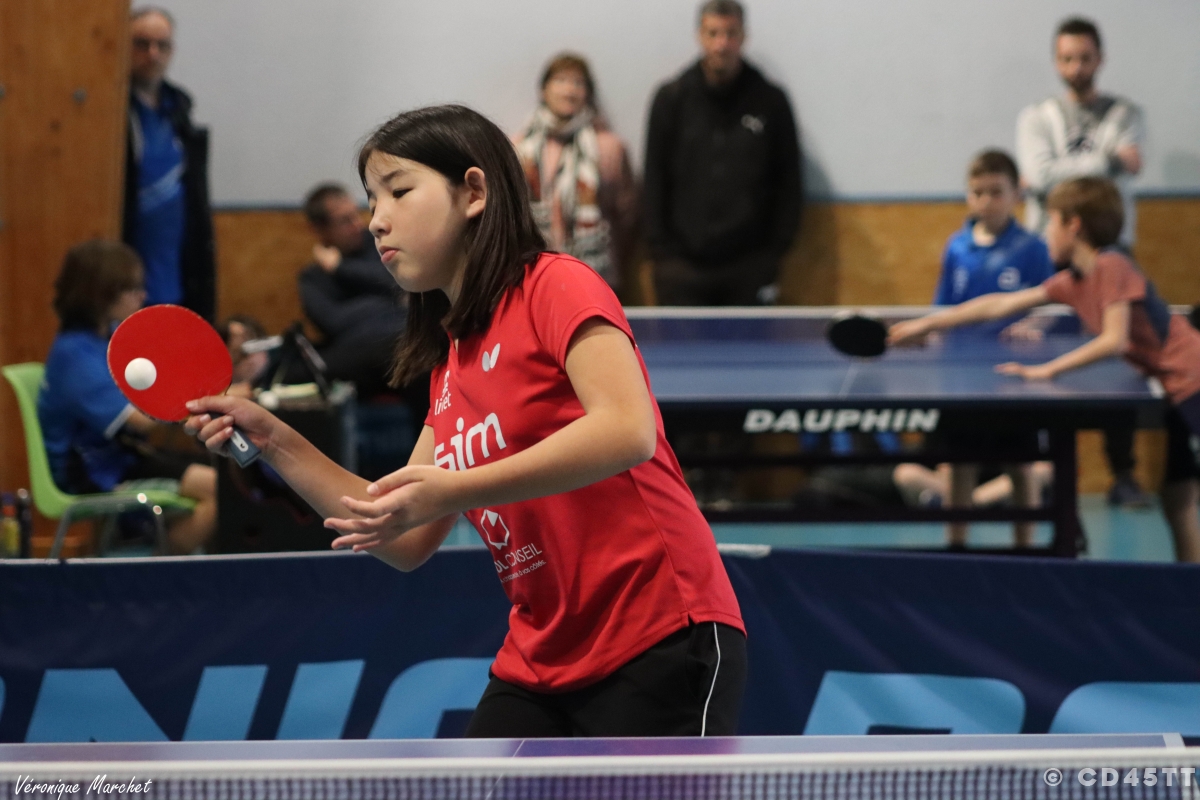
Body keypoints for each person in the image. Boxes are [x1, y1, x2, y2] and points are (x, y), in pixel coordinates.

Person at [185, 105, 747, 736]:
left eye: (398, 191)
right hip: (543, 656)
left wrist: (456, 488)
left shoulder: (554, 285)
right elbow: (402, 535)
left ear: (474, 192)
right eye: (372, 200)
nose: (376, 220)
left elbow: (627, 430)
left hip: (658, 633)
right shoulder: (450, 366)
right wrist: (274, 440)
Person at [890, 178, 1200, 563]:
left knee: (1181, 494)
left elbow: (1114, 340)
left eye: (1051, 221)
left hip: (1193, 380)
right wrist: (929, 323)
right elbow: (1000, 304)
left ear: (1074, 225)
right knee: (1178, 494)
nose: (1046, 232)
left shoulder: (1112, 264)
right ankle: (1190, 583)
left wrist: (1048, 370)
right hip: (1178, 385)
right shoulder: (1074, 281)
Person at [1016, 16, 1148, 507]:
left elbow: (1051, 178)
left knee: (1121, 360)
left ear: (1100, 59)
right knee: (1040, 350)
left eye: (1084, 58)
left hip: (1111, 251)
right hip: (1053, 255)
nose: (1075, 67)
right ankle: (1047, 471)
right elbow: (1040, 177)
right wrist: (1108, 160)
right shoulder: (1036, 117)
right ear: (1056, 61)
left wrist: (1057, 175)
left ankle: (1124, 474)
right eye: (1067, 58)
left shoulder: (1127, 113)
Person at [893, 150, 1055, 546]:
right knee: (959, 465)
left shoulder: (1032, 247)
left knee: (1021, 464)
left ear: (1016, 194)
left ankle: (1026, 549)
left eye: (996, 192)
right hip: (961, 377)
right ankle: (957, 547)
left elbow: (1053, 303)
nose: (986, 201)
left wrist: (1035, 324)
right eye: (978, 192)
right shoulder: (957, 247)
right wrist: (927, 336)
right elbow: (943, 309)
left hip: (1013, 378)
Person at [38, 241, 217, 555]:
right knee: (217, 487)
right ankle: (155, 574)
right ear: (101, 294)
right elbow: (142, 420)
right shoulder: (75, 355)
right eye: (132, 288)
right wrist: (211, 398)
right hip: (94, 473)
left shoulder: (105, 339)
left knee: (229, 474)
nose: (142, 296)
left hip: (123, 458)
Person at [643, 0, 802, 306]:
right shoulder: (671, 99)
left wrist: (772, 254)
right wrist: (662, 254)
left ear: (743, 37)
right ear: (699, 36)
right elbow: (654, 178)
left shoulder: (771, 101)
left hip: (749, 268)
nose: (722, 44)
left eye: (730, 34)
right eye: (713, 33)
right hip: (681, 270)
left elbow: (789, 182)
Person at [513, 53, 637, 291]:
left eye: (578, 83)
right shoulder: (519, 150)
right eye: (560, 80)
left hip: (596, 276)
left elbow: (626, 213)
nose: (569, 91)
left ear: (588, 93)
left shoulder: (610, 148)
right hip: (532, 276)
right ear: (543, 90)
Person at [300, 183, 408, 399]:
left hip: (403, 343)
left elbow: (399, 282)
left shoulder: (380, 246)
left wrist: (341, 268)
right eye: (345, 220)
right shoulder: (312, 279)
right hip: (359, 359)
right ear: (320, 229)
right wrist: (388, 304)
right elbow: (334, 324)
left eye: (356, 214)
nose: (358, 224)